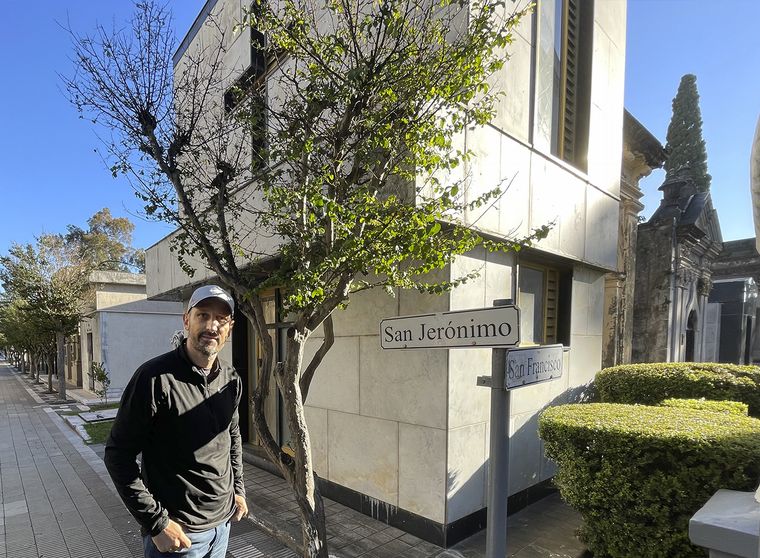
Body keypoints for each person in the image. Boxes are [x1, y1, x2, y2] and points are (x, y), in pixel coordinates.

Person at [105, 284, 248, 557]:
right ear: (186, 320)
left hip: (223, 527)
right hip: (179, 536)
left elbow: (231, 436)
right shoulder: (154, 378)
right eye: (203, 315)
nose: (212, 326)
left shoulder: (231, 379)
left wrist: (238, 490)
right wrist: (156, 524)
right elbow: (117, 455)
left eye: (221, 319)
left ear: (229, 328)